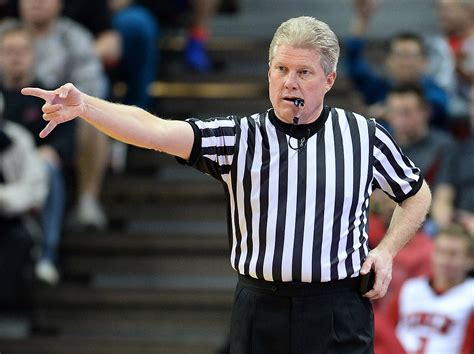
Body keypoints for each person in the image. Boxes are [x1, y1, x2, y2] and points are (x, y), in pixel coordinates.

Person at [22, 16, 432, 353]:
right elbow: (154, 131)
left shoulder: (364, 135)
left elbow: (416, 193)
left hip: (337, 308)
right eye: (281, 69)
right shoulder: (238, 136)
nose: (290, 82)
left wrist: (387, 250)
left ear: (328, 79)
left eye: (304, 72)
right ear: (268, 71)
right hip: (260, 306)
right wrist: (86, 105)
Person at [0, 0, 110, 230]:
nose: (36, 2)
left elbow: (92, 92)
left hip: (58, 122)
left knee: (93, 115)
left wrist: (56, 146)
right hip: (7, 119)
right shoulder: (5, 30)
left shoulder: (76, 38)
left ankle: (87, 199)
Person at [346, 0, 449, 128]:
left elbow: (437, 108)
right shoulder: (379, 89)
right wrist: (362, 18)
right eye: (400, 55)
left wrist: (389, 112)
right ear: (388, 61)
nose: (406, 63)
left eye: (412, 56)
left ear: (425, 62)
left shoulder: (435, 91)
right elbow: (353, 61)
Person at [388, 224, 474, 354]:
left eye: (453, 254)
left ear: (470, 260)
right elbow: (386, 333)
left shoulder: (470, 296)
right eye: (440, 252)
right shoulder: (409, 288)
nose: (444, 260)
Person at [0, 91, 49, 306]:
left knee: (19, 240)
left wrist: (3, 198)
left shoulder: (17, 139)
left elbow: (34, 191)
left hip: (10, 221)